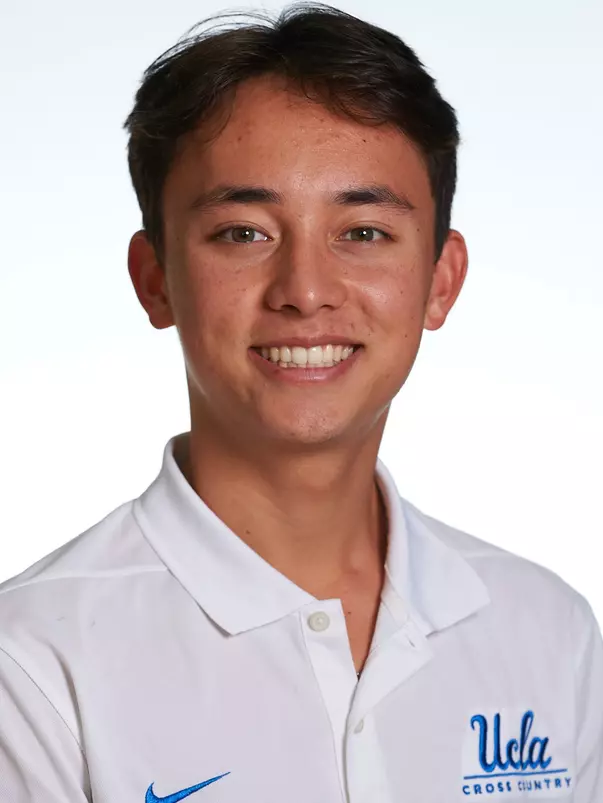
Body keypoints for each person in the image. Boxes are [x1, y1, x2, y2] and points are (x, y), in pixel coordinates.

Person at [0, 4, 601, 801]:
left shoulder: (546, 630)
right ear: (155, 278)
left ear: (440, 279)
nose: (306, 291)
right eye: (243, 232)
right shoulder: (33, 660)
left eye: (362, 232)